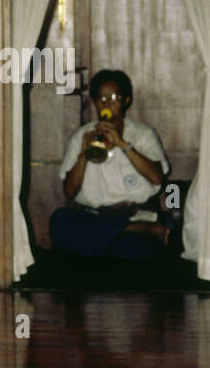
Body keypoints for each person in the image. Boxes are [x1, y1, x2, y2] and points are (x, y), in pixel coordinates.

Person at [50, 70, 170, 259]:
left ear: (127, 100)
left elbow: (157, 178)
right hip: (94, 217)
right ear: (95, 102)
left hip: (135, 212)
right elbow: (70, 192)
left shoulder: (143, 134)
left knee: (133, 247)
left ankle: (110, 238)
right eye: (101, 97)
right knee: (60, 220)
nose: (106, 103)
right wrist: (83, 154)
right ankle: (133, 230)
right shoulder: (81, 136)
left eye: (114, 97)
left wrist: (122, 143)